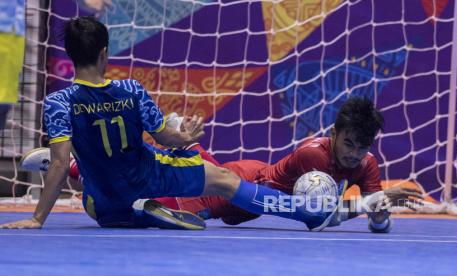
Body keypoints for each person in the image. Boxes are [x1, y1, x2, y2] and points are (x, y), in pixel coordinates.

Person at [0, 16, 341, 230]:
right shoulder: (131, 90)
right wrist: (185, 136)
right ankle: (305, 213)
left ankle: (133, 210)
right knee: (223, 178)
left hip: (101, 205)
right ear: (105, 53)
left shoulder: (59, 102)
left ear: (72, 56)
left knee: (87, 178)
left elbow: (57, 164)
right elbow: (167, 138)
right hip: (149, 178)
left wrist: (37, 218)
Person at [20, 97, 423, 232]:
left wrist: (380, 212)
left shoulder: (365, 163)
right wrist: (371, 203)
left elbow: (375, 222)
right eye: (349, 144)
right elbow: (318, 218)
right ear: (334, 133)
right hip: (243, 192)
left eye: (362, 147)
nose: (354, 154)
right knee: (164, 197)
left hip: (248, 189)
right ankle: (77, 167)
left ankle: (79, 168)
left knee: (174, 166)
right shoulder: (313, 156)